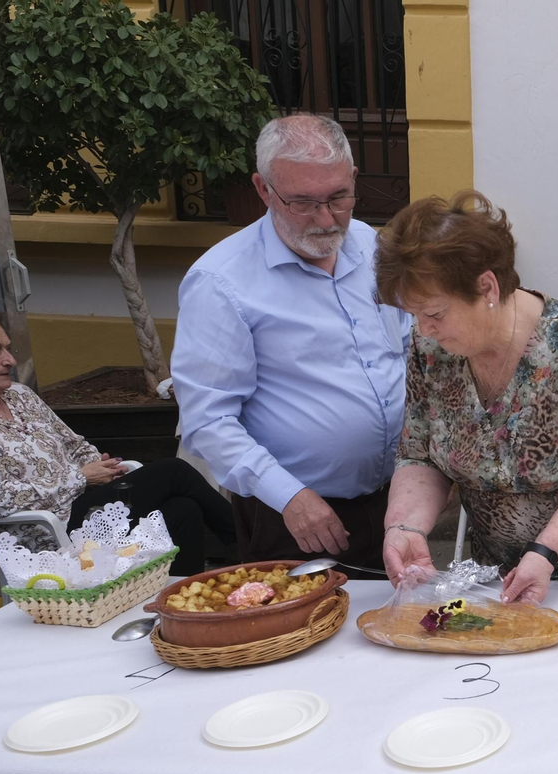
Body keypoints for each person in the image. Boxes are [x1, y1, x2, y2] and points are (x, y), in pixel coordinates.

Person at [375, 190, 558, 606]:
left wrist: (545, 552)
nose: (424, 330)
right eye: (415, 315)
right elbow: (418, 454)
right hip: (503, 572)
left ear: (486, 286)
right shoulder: (432, 351)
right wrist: (404, 528)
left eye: (436, 313)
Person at [173, 114, 412, 569]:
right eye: (302, 202)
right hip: (295, 516)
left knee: (407, 614)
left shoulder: (372, 245)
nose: (325, 219)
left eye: (339, 197)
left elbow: (407, 353)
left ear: (353, 178)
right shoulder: (220, 282)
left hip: (394, 501)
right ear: (264, 190)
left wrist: (428, 466)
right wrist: (288, 496)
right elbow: (207, 420)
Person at [0, 307, 234, 575]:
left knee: (182, 508)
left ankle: (182, 601)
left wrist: (102, 468)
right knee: (174, 471)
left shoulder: (19, 395)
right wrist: (81, 478)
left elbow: (75, 445)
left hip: (86, 506)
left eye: (7, 348)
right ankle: (252, 548)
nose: (10, 360)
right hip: (41, 531)